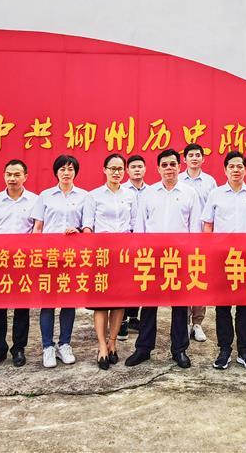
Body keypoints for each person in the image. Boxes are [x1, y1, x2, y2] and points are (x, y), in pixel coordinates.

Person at [126, 148, 202, 369]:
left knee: (180, 305)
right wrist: (140, 254)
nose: (169, 168)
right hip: (152, 256)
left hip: (180, 257)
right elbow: (140, 226)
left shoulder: (189, 193)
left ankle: (179, 350)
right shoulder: (149, 194)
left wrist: (192, 255)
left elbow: (195, 227)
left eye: (173, 164)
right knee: (149, 304)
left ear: (179, 166)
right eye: (165, 165)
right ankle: (143, 348)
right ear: (158, 168)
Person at [202, 150, 246, 371]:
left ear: (245, 169)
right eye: (231, 166)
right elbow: (208, 225)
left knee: (245, 307)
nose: (236, 170)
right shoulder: (216, 194)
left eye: (240, 166)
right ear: (225, 169)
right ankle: (224, 350)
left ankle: (244, 351)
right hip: (222, 258)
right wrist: (210, 252)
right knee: (222, 307)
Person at [32, 154, 88, 369]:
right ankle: (47, 346)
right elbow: (38, 228)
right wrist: (37, 254)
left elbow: (87, 226)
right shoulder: (45, 196)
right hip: (48, 257)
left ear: (76, 172)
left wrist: (79, 230)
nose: (66, 173)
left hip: (72, 257)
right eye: (62, 169)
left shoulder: (84, 196)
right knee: (47, 303)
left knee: (68, 301)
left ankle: (64, 344)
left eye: (70, 169)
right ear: (56, 172)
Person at [0, 159, 37, 368]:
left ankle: (18, 349)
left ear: (25, 176)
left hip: (23, 262)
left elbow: (37, 231)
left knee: (22, 308)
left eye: (17, 174)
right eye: (9, 174)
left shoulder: (34, 200)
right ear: (4, 175)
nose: (12, 178)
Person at [82, 153, 138, 370]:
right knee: (101, 302)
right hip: (101, 253)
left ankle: (113, 343)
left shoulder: (130, 195)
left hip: (123, 254)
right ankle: (101, 346)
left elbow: (134, 224)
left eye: (120, 169)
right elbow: (88, 225)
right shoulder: (93, 196)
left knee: (119, 301)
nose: (116, 172)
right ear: (104, 170)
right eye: (112, 168)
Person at [179, 143, 218, 342]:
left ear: (203, 158)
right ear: (184, 159)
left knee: (200, 279)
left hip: (204, 237)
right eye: (191, 155)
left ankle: (197, 323)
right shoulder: (178, 180)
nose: (194, 158)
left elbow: (215, 210)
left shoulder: (210, 182)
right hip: (183, 237)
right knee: (184, 280)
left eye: (197, 155)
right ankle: (184, 322)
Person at [121, 154, 149, 339]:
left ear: (145, 169)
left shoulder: (152, 191)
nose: (137, 169)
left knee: (140, 279)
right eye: (133, 167)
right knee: (125, 281)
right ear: (127, 170)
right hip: (125, 241)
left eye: (140, 166)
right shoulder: (121, 190)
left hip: (144, 241)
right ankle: (122, 319)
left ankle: (133, 317)